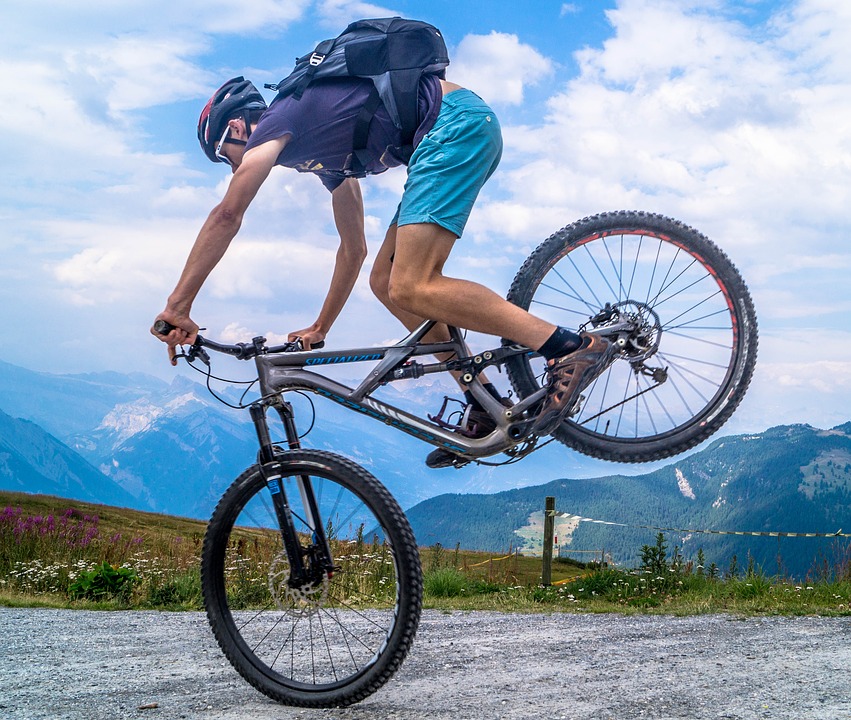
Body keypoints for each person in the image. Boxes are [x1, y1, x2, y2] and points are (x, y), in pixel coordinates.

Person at [152, 63, 613, 467]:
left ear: (235, 128)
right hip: (449, 134)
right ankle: (483, 399)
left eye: (223, 156)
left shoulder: (281, 119)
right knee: (385, 281)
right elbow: (353, 248)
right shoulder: (319, 154)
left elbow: (227, 214)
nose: (231, 167)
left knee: (413, 284)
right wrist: (320, 326)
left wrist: (177, 305)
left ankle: (565, 346)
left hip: (454, 127)